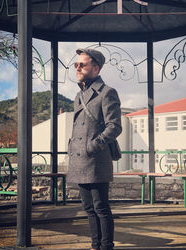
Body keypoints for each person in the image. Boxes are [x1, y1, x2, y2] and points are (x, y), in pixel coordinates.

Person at [67, 48, 122, 250]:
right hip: (80, 160)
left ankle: (106, 246)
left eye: (83, 64)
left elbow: (115, 126)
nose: (78, 67)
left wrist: (93, 146)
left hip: (96, 158)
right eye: (76, 64)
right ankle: (94, 245)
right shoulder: (78, 95)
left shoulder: (107, 92)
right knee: (88, 208)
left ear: (96, 68)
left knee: (100, 207)